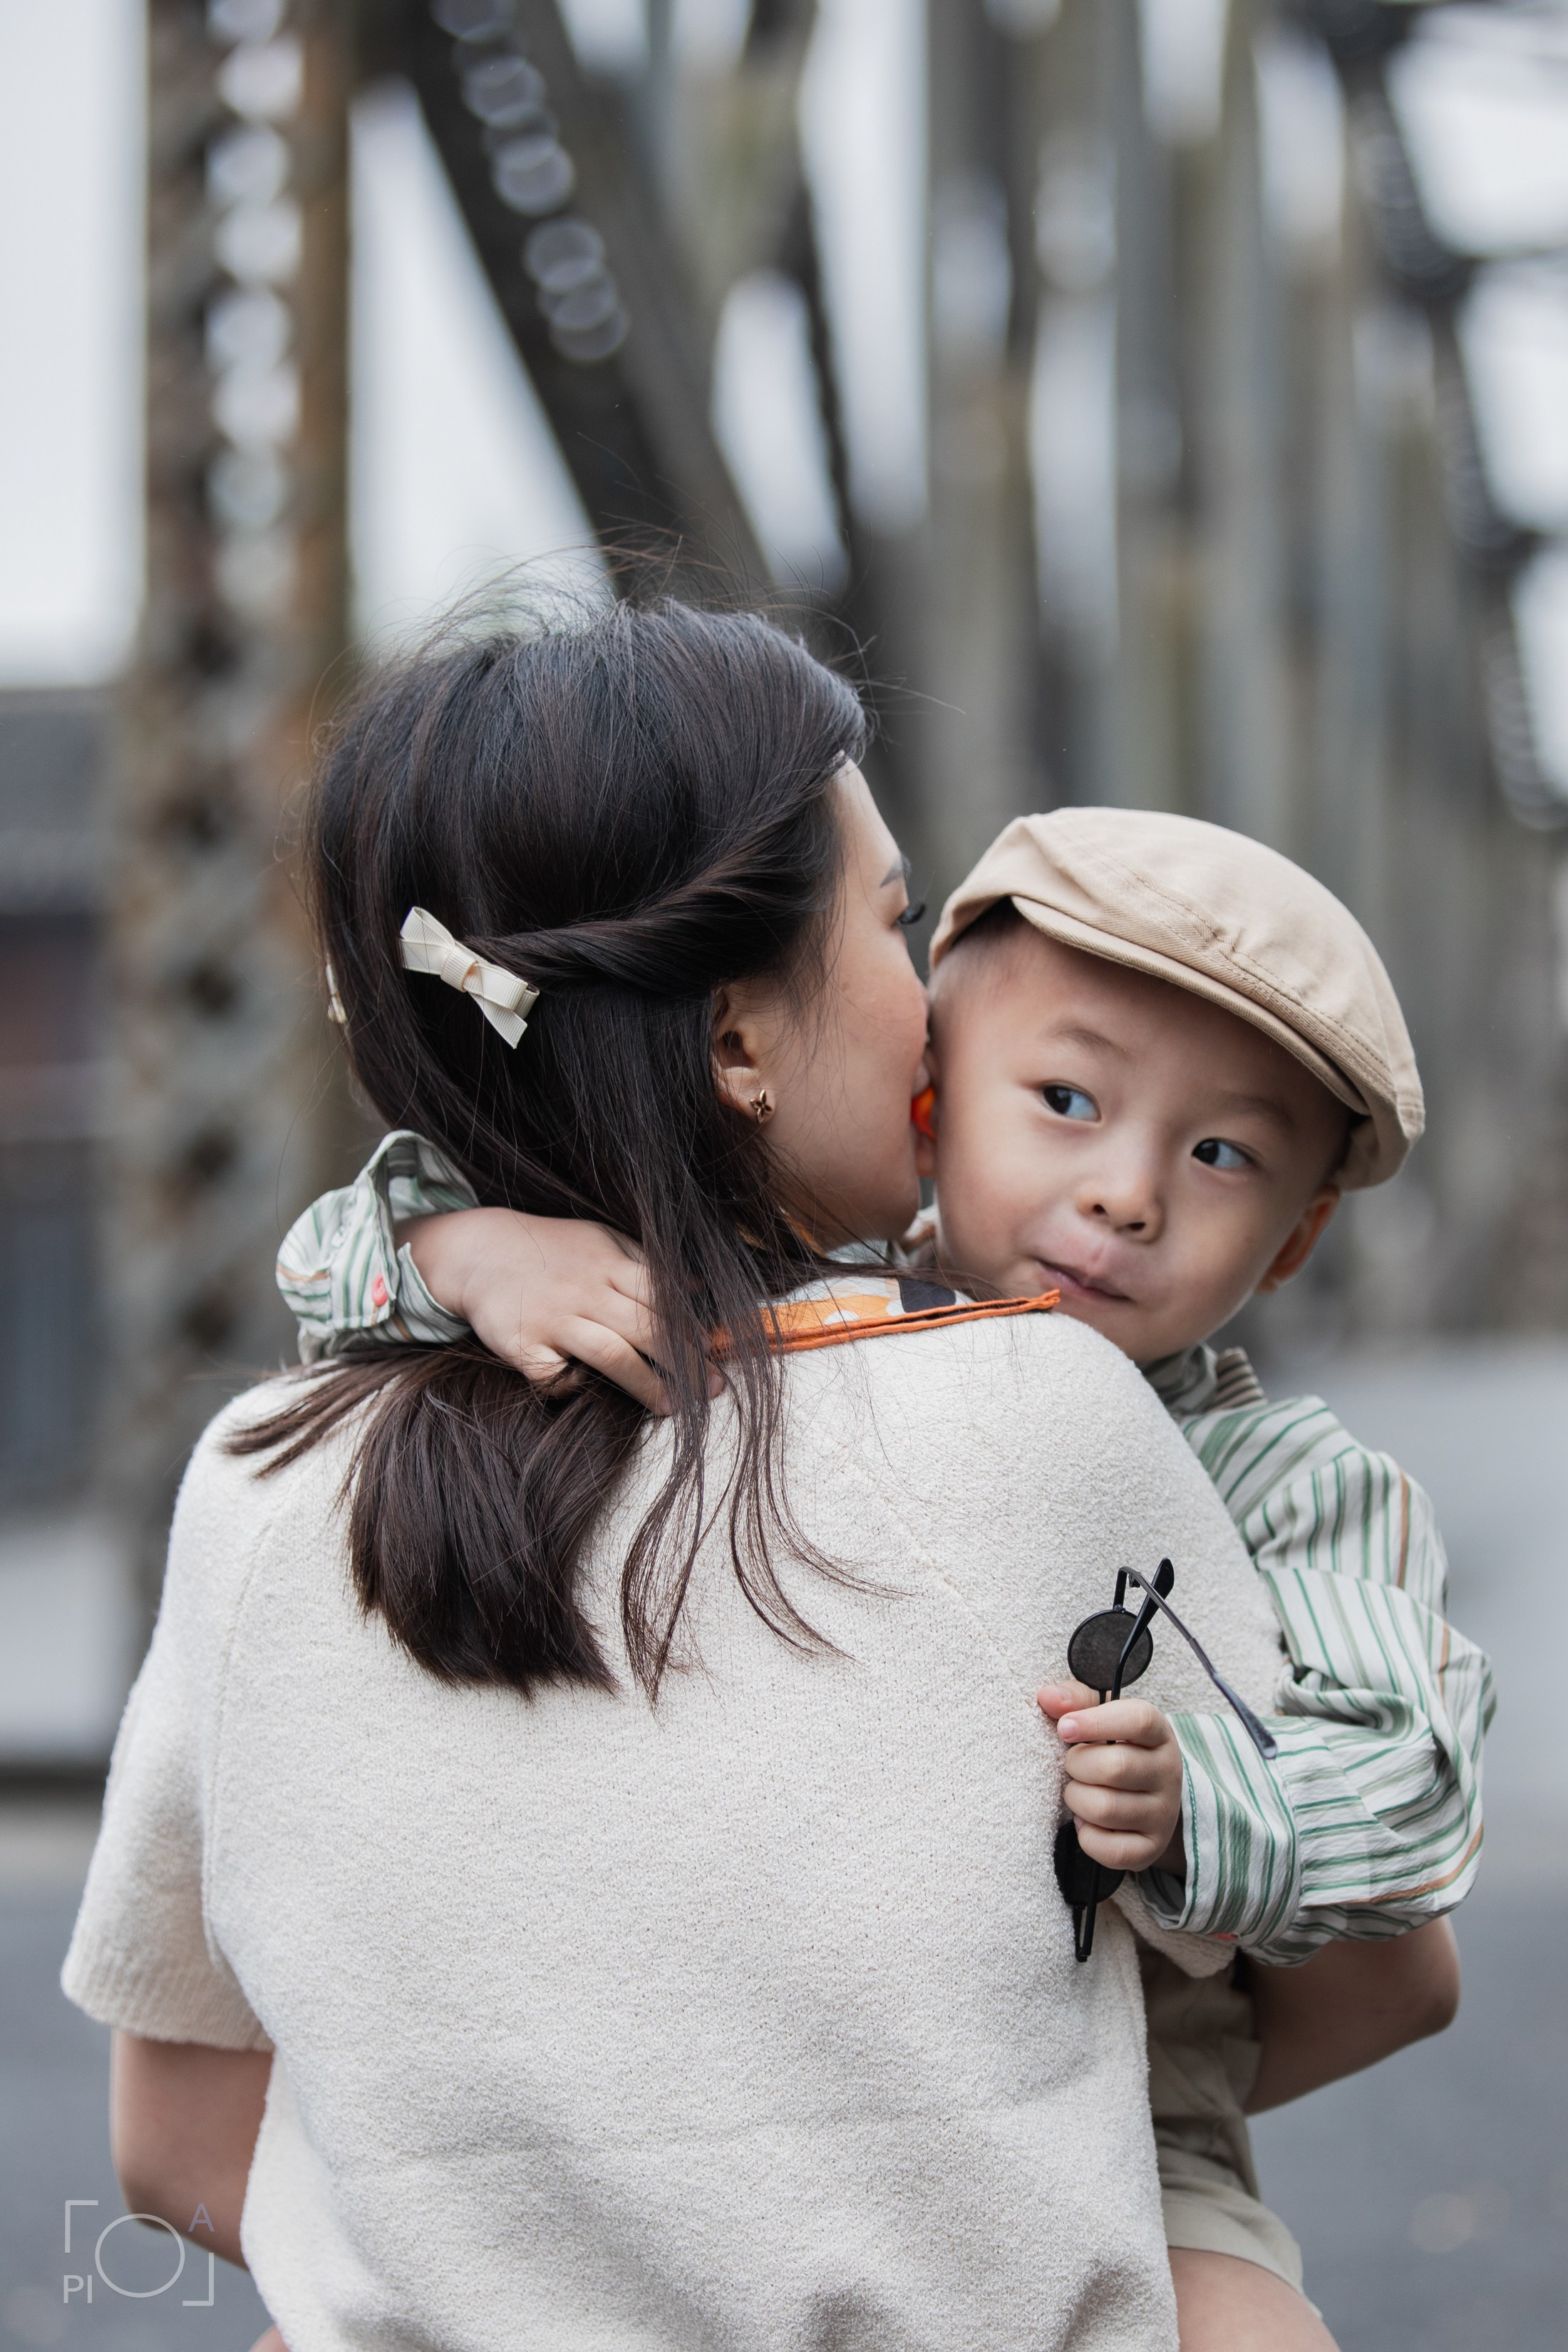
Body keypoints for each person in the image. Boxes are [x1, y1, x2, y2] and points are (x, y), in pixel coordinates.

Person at [63, 604, 1302, 2352]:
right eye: (893, 924)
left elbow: (173, 2149)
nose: (937, 1016)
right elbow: (1363, 1970)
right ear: (733, 1045)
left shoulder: (261, 1488)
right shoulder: (1037, 1415)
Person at [289, 806, 1492, 2349]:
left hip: (1128, 2125)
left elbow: (1410, 1770)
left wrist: (1205, 1803)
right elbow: (326, 1275)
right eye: (1064, 1100)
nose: (1127, 1191)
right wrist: (467, 1255)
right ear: (930, 1099)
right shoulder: (794, 1302)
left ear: (1295, 1238)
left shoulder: (1288, 1488)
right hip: (772, 2092)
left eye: (1220, 1155)